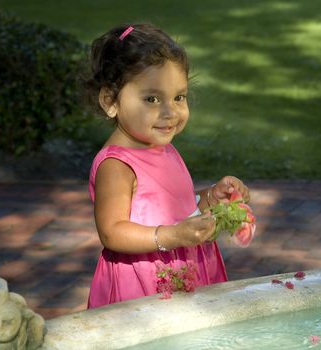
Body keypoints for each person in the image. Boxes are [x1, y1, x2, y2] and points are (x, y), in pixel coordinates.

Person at [81, 23, 251, 308]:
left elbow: (174, 206)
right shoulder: (116, 165)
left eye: (179, 97)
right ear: (110, 101)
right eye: (152, 99)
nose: (170, 111)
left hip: (184, 269)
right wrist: (172, 236)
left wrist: (210, 199)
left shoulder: (162, 148)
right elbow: (112, 231)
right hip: (144, 285)